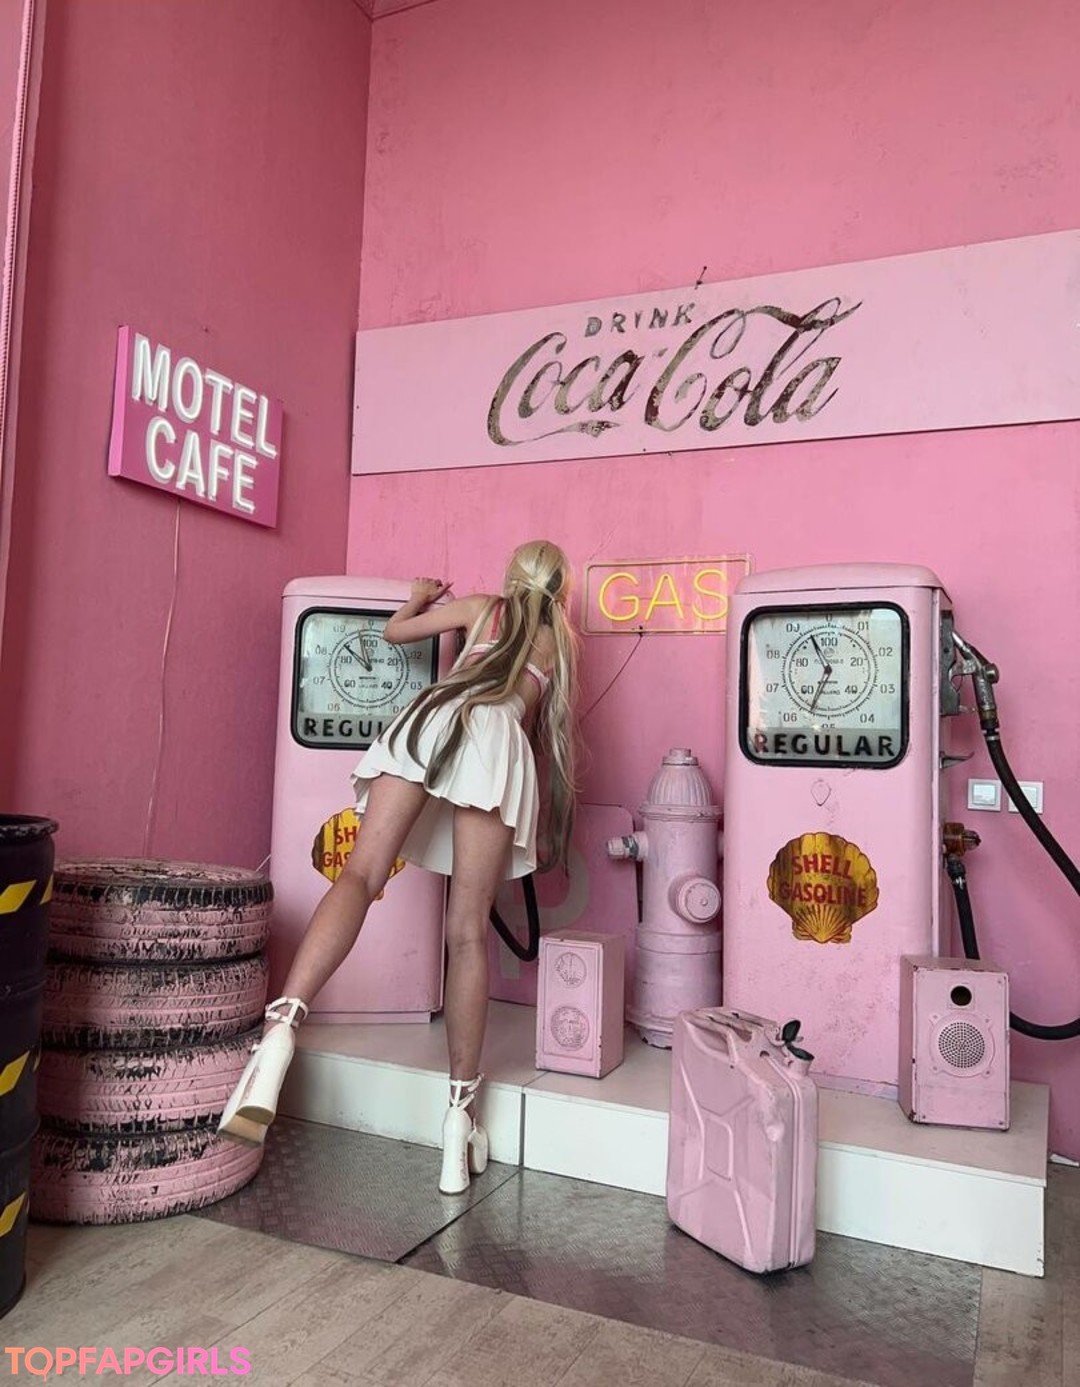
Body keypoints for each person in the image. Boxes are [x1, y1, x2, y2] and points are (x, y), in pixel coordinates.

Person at [218, 540, 579, 1195]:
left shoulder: (482, 608)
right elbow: (542, 732)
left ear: (511, 575)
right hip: (494, 735)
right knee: (466, 932)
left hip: (429, 716)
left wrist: (415, 598)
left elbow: (394, 633)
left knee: (360, 874)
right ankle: (459, 1117)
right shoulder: (557, 645)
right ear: (561, 590)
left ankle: (279, 1032)